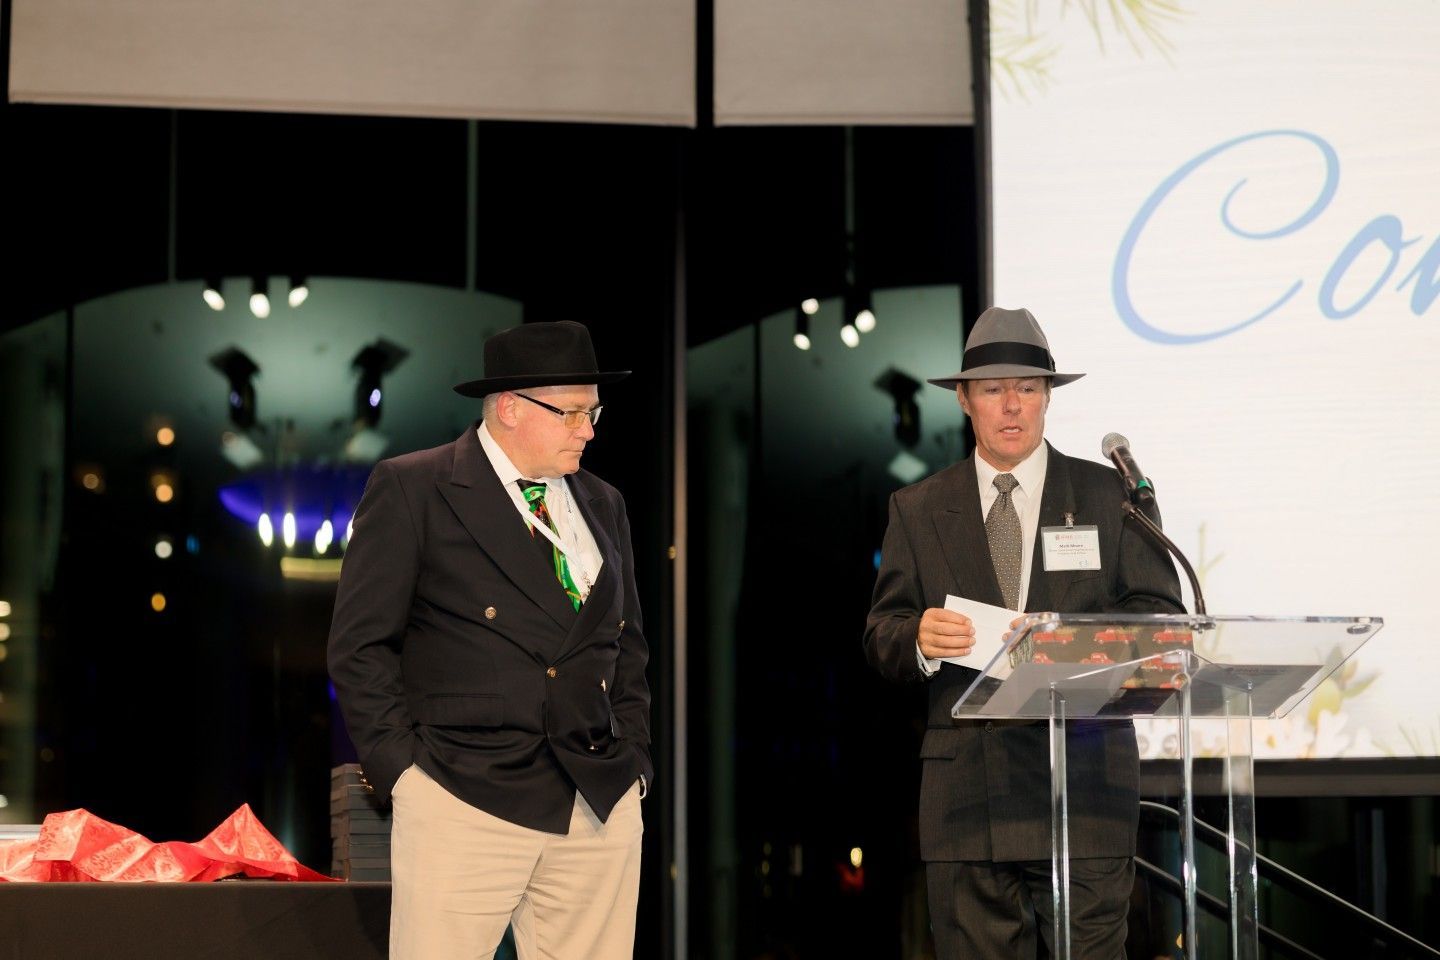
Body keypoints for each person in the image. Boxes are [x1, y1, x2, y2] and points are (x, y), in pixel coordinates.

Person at [863, 306, 1183, 960]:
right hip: (967, 798)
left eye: (1028, 388)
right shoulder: (917, 508)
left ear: (1047, 397)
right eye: (992, 389)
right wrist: (918, 639)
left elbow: (1160, 620)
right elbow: (881, 634)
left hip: (1084, 791)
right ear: (964, 399)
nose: (1012, 405)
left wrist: (1070, 645)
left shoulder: (1111, 497)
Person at [328, 320, 652, 960]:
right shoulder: (415, 487)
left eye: (593, 412)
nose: (588, 430)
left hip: (597, 797)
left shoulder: (603, 502)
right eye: (572, 412)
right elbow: (359, 647)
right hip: (460, 795)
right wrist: (404, 777)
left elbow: (629, 646)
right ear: (509, 408)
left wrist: (634, 759)